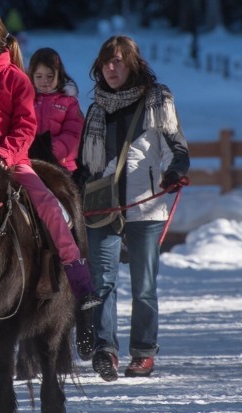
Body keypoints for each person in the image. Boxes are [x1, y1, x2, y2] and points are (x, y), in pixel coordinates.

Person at [0, 6, 101, 310]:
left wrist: (2, 154)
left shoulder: (16, 79)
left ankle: (78, 277)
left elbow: (25, 126)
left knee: (49, 205)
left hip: (12, 160)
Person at [74, 35, 190, 381]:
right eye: (107, 62)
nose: (112, 68)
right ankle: (105, 351)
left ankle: (143, 352)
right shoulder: (96, 109)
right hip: (102, 206)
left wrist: (174, 173)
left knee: (143, 286)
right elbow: (85, 166)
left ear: (133, 64)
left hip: (147, 204)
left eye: (119, 61)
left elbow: (176, 147)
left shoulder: (157, 99)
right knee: (102, 283)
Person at [27, 47, 84, 172]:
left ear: (59, 75)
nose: (45, 81)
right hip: (30, 161)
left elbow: (73, 134)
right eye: (39, 76)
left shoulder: (68, 102)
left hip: (62, 164)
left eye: (50, 76)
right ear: (31, 76)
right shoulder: (26, 99)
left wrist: (51, 150)